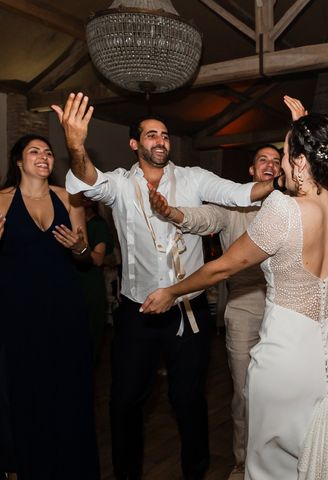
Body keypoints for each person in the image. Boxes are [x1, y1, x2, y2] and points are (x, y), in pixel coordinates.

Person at [141, 113, 328, 479]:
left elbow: (222, 267)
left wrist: (171, 292)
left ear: (302, 163)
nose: (281, 164)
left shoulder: (283, 210)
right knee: (324, 453)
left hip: (284, 357)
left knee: (274, 464)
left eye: (286, 154)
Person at [52, 92, 280, 480]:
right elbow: (88, 183)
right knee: (124, 402)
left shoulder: (193, 178)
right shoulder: (121, 185)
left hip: (186, 313)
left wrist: (281, 176)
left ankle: (196, 472)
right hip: (136, 312)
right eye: (152, 135)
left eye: (165, 135)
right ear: (134, 144)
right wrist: (75, 144)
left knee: (189, 400)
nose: (161, 141)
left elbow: (241, 193)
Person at [148, 143, 283, 479]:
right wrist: (173, 213)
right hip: (243, 304)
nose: (270, 165)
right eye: (262, 159)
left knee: (281, 388)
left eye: (276, 161)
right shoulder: (232, 208)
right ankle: (242, 460)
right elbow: (203, 217)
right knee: (243, 390)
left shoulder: (290, 206)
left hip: (285, 305)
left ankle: (281, 460)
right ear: (251, 172)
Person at [0, 134, 99, 478]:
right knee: (22, 387)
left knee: (67, 386)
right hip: (16, 310)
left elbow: (85, 257)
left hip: (64, 307)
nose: (43, 157)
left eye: (48, 152)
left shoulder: (70, 198)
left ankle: (69, 463)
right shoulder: (0, 202)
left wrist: (79, 248)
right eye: (34, 152)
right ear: (18, 161)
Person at [76, 197, 115, 364]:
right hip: (71, 284)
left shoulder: (98, 225)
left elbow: (99, 259)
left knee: (89, 335)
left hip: (90, 285)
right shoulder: (68, 221)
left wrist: (80, 248)